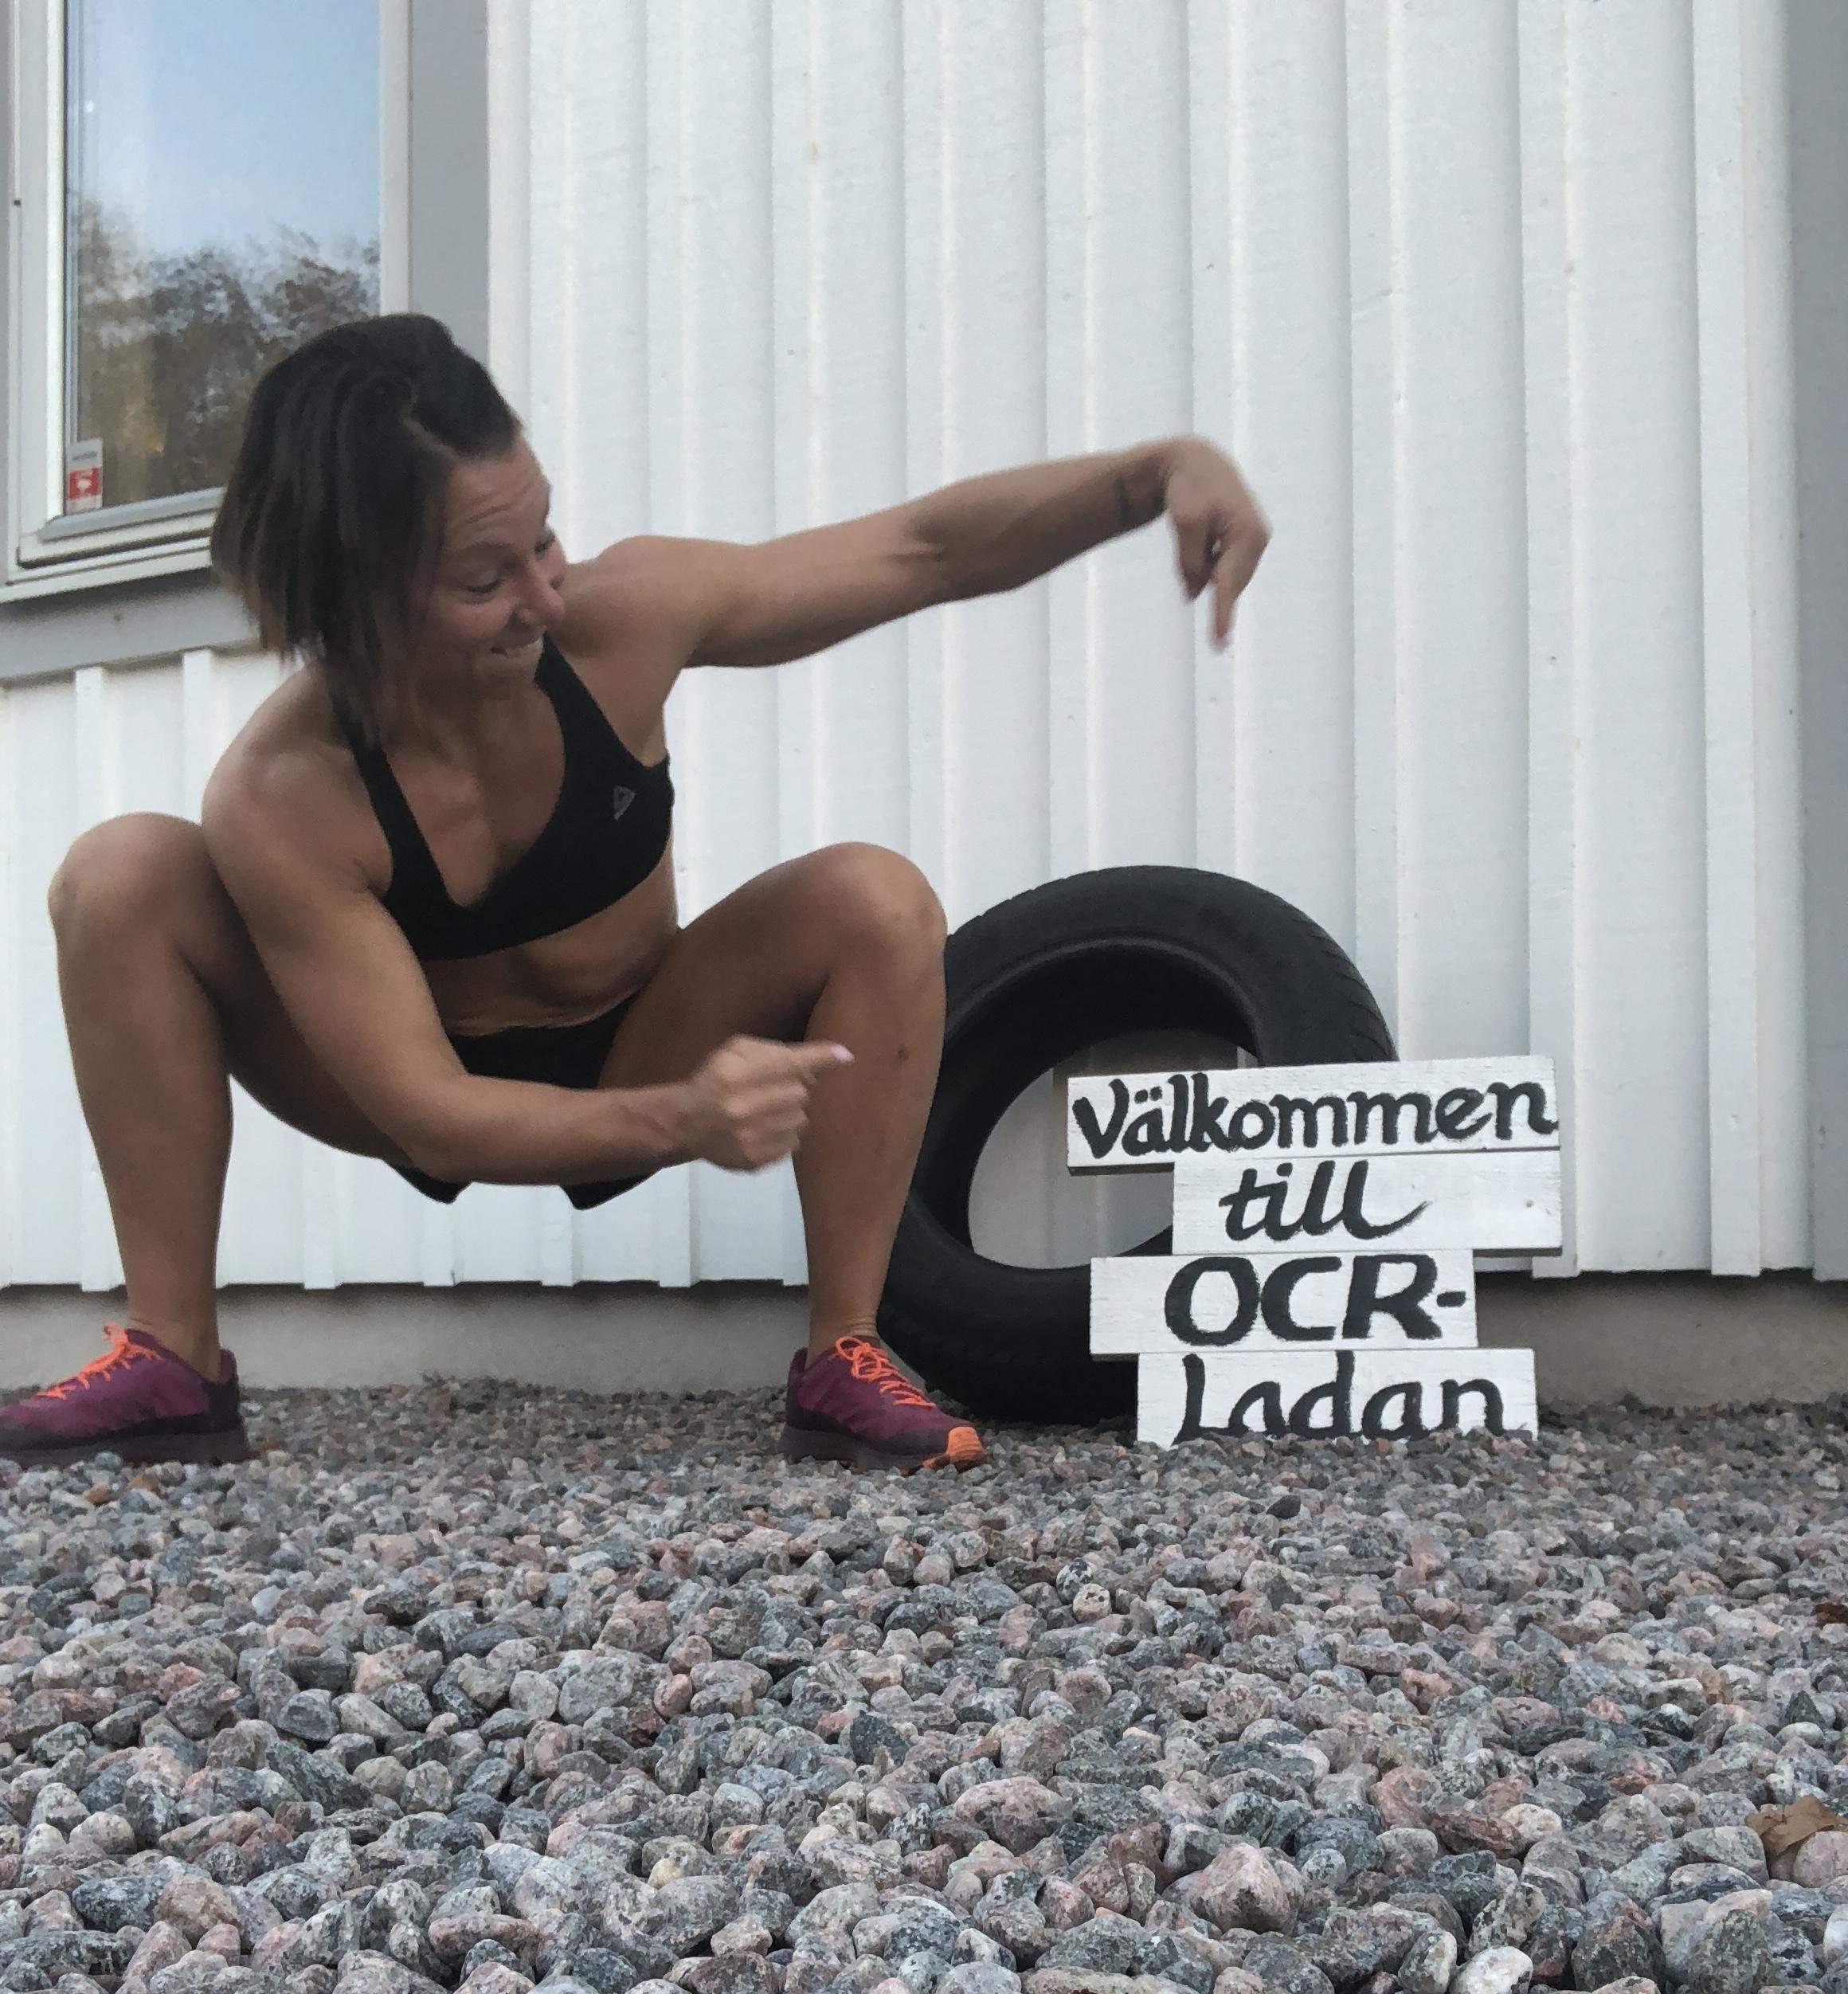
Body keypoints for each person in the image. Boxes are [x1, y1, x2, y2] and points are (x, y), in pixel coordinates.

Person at [0, 315, 1267, 1473]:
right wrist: (684, 1122)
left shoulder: (622, 619)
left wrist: (1148, 476)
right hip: (403, 1081)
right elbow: (432, 1117)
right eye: (484, 581)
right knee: (122, 874)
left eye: (543, 538)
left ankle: (845, 1356)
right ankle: (172, 1361)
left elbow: (921, 551)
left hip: (639, 1033)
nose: (544, 597)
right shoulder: (286, 792)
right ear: (358, 601)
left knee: (875, 898)